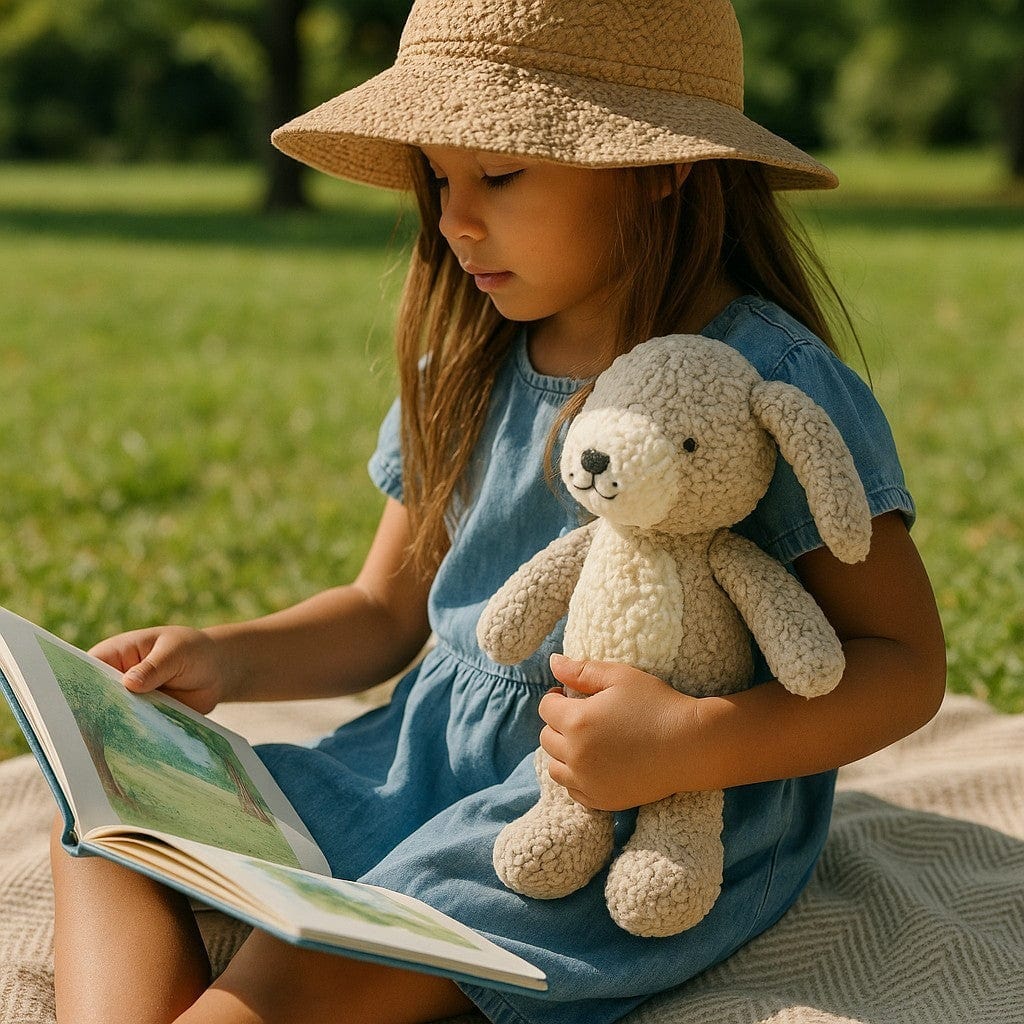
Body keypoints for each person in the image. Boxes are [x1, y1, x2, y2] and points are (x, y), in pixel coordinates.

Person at [49, 1, 947, 1022]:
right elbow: (385, 606)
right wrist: (225, 657)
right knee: (112, 829)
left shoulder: (761, 385)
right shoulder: (469, 362)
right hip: (416, 765)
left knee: (295, 980)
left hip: (614, 813)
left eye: (501, 176)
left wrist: (688, 740)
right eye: (438, 176)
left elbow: (902, 665)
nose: (452, 220)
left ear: (659, 165)